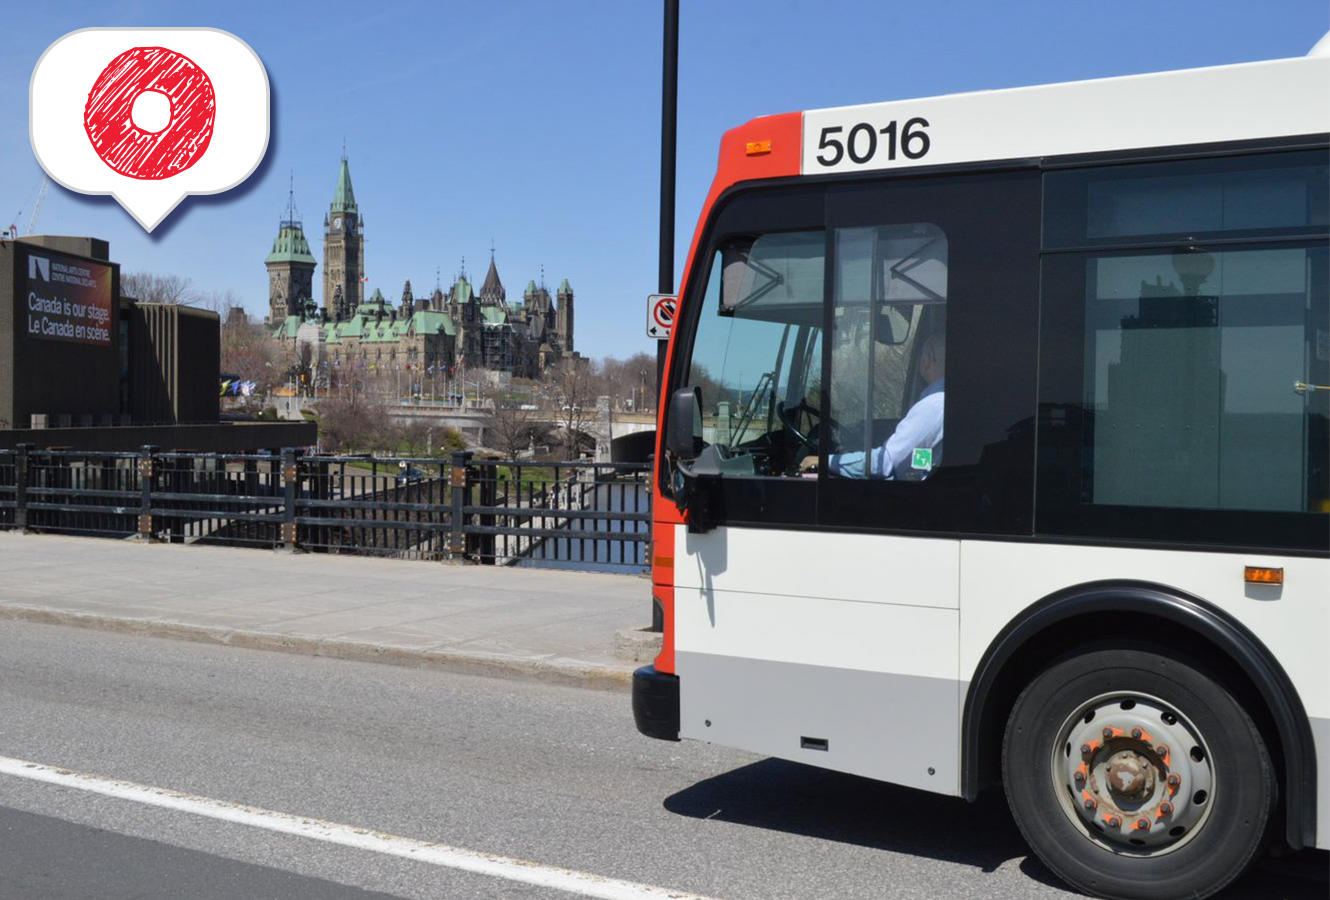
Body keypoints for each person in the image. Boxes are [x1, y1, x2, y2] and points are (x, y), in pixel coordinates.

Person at [801, 331, 944, 479]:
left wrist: (825, 461)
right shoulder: (944, 402)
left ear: (926, 360)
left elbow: (884, 463)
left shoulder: (934, 404)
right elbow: (918, 463)